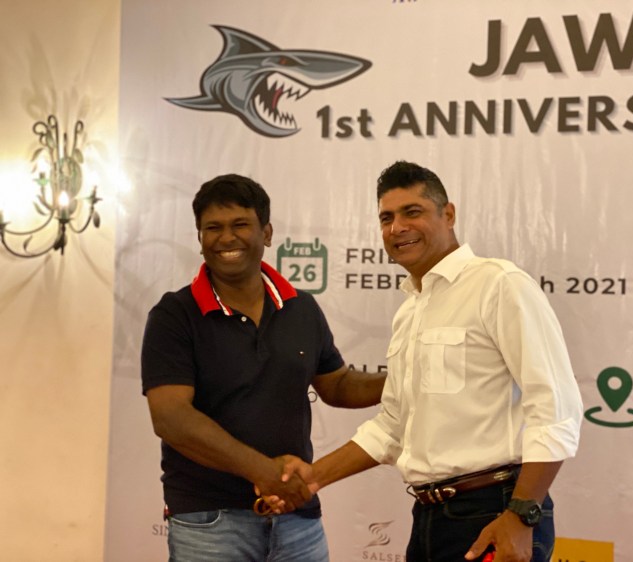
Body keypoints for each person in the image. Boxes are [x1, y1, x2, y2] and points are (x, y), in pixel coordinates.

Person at [272, 161, 583, 562]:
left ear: (448, 214)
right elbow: (392, 427)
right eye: (387, 218)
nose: (397, 227)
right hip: (430, 518)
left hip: (495, 511)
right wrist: (312, 477)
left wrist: (522, 515)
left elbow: (555, 409)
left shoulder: (499, 285)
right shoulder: (410, 311)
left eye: (412, 212)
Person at [141, 173, 386, 562]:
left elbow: (337, 385)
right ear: (200, 238)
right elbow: (171, 418)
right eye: (213, 228)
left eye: (240, 224)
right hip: (209, 521)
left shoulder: (301, 307)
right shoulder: (175, 314)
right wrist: (264, 472)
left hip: (297, 518)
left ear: (267, 233)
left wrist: (403, 380)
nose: (226, 238)